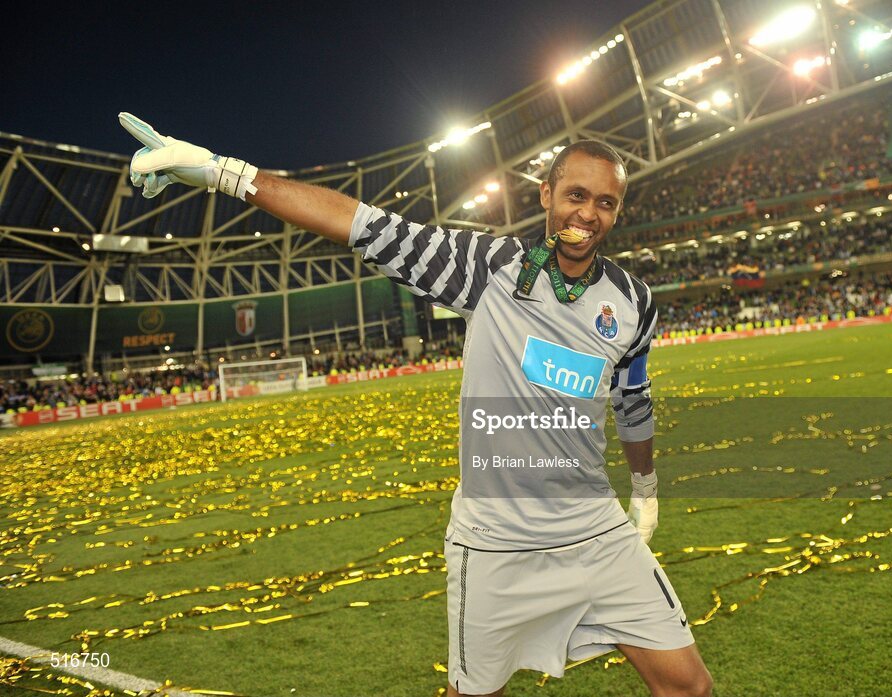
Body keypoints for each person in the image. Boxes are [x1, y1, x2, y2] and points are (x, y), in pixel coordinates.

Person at [118, 113, 712, 697]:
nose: (588, 213)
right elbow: (362, 225)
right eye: (576, 195)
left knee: (689, 686)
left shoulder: (633, 301)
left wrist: (645, 487)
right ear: (546, 194)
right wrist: (220, 172)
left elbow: (634, 400)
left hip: (594, 532)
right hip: (496, 542)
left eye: (605, 203)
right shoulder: (488, 270)